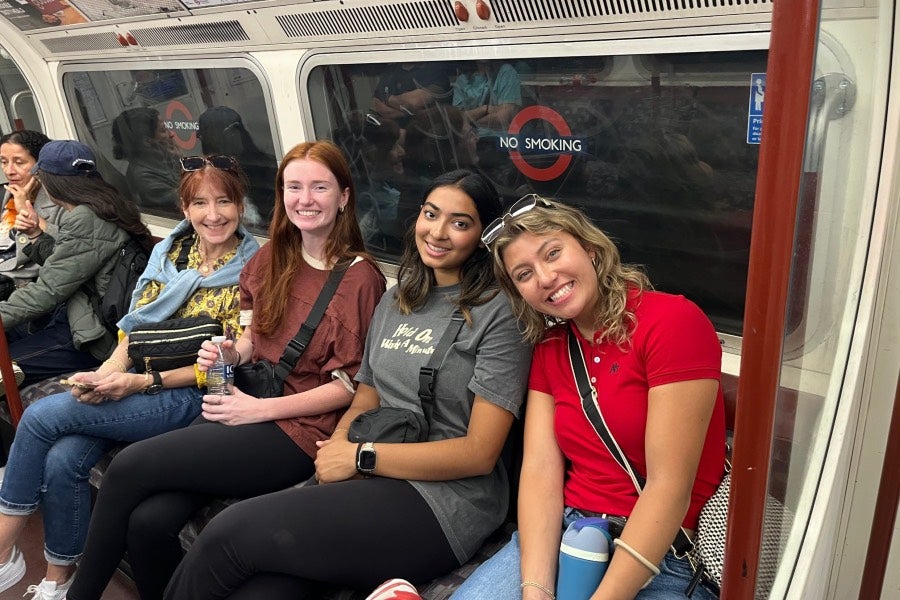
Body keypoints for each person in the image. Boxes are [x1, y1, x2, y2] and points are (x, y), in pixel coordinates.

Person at [162, 169, 532, 599]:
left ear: (483, 236)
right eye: (431, 214)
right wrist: (337, 450)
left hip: (443, 501)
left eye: (460, 222)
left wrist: (361, 457)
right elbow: (366, 396)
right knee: (263, 591)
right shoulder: (397, 299)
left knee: (228, 533)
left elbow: (480, 453)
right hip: (372, 469)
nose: (437, 232)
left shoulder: (500, 313)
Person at [66, 140, 386, 600]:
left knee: (128, 467)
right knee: (148, 521)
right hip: (245, 402)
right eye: (294, 187)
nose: (305, 199)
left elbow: (349, 386)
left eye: (320, 187)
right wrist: (229, 355)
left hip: (297, 429)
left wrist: (258, 411)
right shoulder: (271, 257)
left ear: (344, 197)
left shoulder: (360, 278)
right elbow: (254, 340)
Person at [0, 152, 260, 600]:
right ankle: (57, 581)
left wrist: (140, 383)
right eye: (200, 203)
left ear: (240, 205)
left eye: (224, 202)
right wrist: (105, 375)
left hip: (193, 392)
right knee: (63, 458)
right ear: (185, 208)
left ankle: (3, 550)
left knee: (42, 417)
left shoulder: (255, 267)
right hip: (137, 375)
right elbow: (133, 330)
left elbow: (231, 361)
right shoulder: (171, 251)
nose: (213, 215)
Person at [450, 197, 726, 600]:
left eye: (553, 253)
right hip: (570, 529)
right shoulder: (550, 349)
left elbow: (669, 488)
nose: (545, 277)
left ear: (591, 249)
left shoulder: (672, 322)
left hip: (663, 549)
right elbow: (541, 471)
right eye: (524, 274)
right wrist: (536, 589)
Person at [0, 140, 154, 388]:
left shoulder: (86, 218)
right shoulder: (107, 203)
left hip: (89, 334)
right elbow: (70, 264)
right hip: (76, 312)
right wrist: (36, 235)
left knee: (5, 368)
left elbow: (47, 291)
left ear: (49, 182)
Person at [0, 130, 65, 299]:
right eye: (4, 162)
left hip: (23, 287)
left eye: (19, 162)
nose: (9, 171)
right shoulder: (6, 194)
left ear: (40, 165)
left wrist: (25, 209)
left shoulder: (61, 200)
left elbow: (65, 250)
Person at [197, 106, 278, 227]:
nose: (235, 136)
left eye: (236, 130)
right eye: (229, 133)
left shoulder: (266, 167)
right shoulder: (208, 174)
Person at [112, 107, 181, 211]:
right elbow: (190, 199)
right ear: (147, 142)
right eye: (163, 130)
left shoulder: (162, 159)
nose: (171, 134)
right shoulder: (144, 178)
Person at [371, 63, 451, 128]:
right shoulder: (390, 70)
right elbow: (379, 107)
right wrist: (411, 111)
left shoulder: (435, 70)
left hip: (424, 134)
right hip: (393, 134)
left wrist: (389, 99)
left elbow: (415, 102)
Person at [452, 60, 522, 134]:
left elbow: (503, 118)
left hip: (498, 138)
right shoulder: (462, 80)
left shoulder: (506, 72)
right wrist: (484, 109)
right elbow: (457, 120)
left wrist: (470, 120)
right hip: (470, 138)